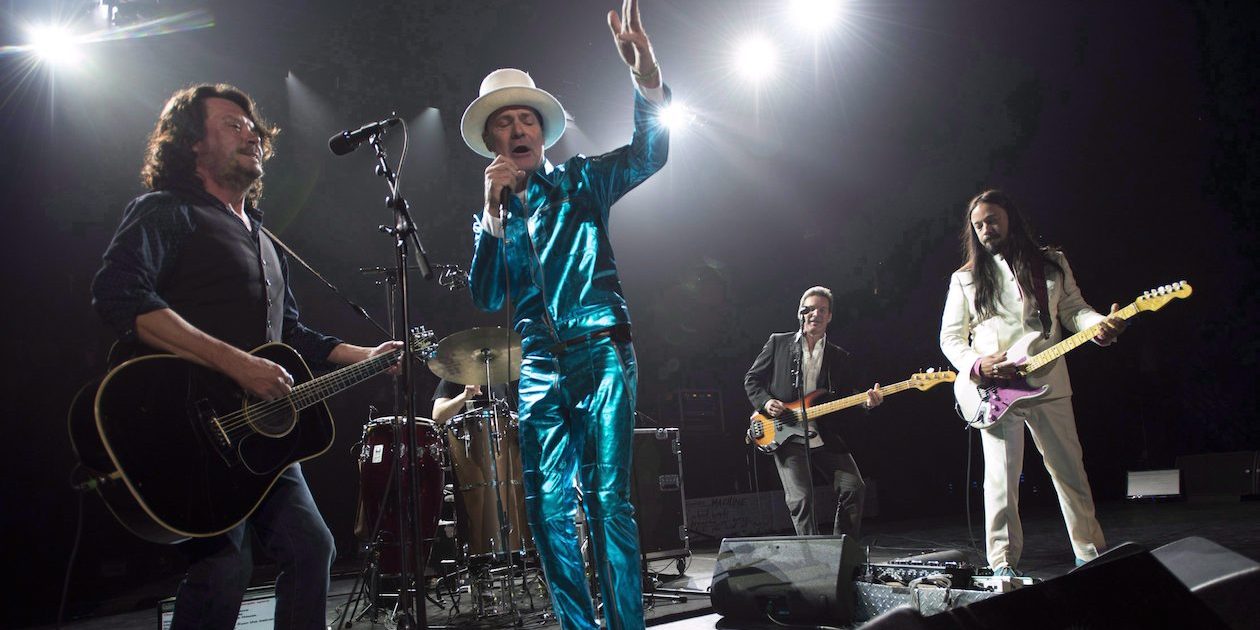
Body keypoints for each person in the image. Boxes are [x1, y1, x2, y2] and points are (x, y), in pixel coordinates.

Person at [91, 83, 400, 629]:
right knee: (223, 566)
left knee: (311, 549)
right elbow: (120, 294)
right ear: (191, 143)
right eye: (233, 124)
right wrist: (236, 363)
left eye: (253, 126)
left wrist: (368, 355)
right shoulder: (167, 210)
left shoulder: (262, 239)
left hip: (256, 435)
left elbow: (293, 332)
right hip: (186, 425)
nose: (251, 133)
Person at [461, 1, 668, 627]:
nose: (518, 130)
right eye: (506, 123)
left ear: (541, 132)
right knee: (548, 507)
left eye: (527, 120)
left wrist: (647, 79)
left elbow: (649, 154)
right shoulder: (494, 217)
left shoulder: (581, 181)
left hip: (602, 348)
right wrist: (493, 218)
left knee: (607, 501)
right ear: (492, 141)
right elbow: (486, 294)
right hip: (539, 366)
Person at [939, 189, 1126, 576]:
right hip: (994, 390)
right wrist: (977, 366)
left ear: (1010, 218)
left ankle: (1091, 553)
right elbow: (950, 337)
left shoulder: (1051, 263)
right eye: (978, 225)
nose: (986, 229)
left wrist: (1097, 328)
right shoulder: (966, 278)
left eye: (991, 220)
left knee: (1070, 471)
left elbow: (1075, 311)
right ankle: (1002, 564)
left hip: (1049, 379)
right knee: (1002, 481)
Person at [744, 286, 884, 538]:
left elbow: (846, 394)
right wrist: (766, 403)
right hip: (784, 431)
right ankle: (813, 558)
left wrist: (865, 402)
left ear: (829, 316)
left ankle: (843, 551)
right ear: (801, 313)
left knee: (854, 487)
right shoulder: (779, 343)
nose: (816, 315)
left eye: (823, 310)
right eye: (810, 309)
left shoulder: (839, 356)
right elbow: (752, 379)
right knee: (802, 499)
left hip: (823, 434)